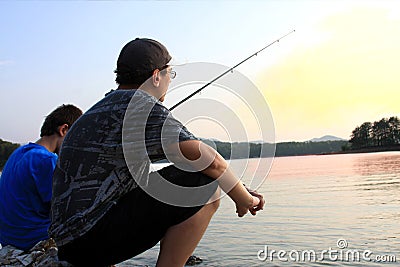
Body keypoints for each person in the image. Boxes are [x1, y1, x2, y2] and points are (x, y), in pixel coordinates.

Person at [49, 38, 265, 267]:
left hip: (68, 242)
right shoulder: (140, 105)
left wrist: (235, 186)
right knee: (203, 183)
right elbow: (211, 162)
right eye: (169, 74)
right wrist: (245, 199)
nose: (169, 81)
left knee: (194, 173)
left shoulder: (102, 108)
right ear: (156, 76)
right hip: (88, 241)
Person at [0, 104, 82, 251]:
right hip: (32, 240)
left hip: (9, 240)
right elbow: (66, 210)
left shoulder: (18, 154)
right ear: (64, 130)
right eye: (76, 137)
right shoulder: (46, 160)